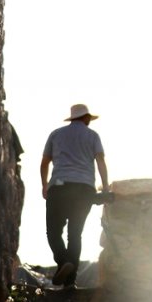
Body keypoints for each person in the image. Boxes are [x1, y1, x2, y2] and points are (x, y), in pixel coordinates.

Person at [40, 103, 109, 288]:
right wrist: (106, 187)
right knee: (75, 234)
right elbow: (100, 160)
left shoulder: (56, 134)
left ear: (72, 118)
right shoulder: (93, 136)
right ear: (86, 118)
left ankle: (63, 262)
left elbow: (45, 162)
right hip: (85, 189)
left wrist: (44, 185)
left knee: (53, 232)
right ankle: (70, 283)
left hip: (60, 187)